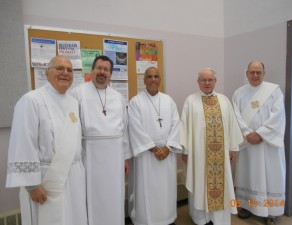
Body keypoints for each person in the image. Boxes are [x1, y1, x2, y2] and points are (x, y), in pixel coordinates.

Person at [6, 55, 88, 225]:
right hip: (47, 180)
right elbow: (23, 142)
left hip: (74, 175)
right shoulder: (31, 100)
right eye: (59, 68)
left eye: (70, 70)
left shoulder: (73, 102)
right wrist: (32, 185)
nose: (65, 73)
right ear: (47, 73)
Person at [70, 55, 131, 225]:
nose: (102, 72)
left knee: (114, 195)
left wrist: (125, 157)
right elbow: (71, 129)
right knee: (92, 197)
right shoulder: (78, 93)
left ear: (110, 74)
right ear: (92, 70)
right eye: (99, 68)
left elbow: (124, 129)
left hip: (114, 156)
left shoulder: (118, 97)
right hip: (90, 156)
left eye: (106, 69)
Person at [180, 68, 244, 225]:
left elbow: (231, 126)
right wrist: (186, 151)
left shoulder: (224, 100)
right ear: (198, 82)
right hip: (199, 155)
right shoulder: (190, 100)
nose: (207, 83)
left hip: (221, 156)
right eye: (203, 80)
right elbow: (185, 128)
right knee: (199, 182)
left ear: (215, 81)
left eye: (210, 80)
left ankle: (219, 219)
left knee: (221, 186)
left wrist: (232, 149)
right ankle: (201, 218)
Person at [232, 61, 286, 225]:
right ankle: (247, 207)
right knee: (248, 175)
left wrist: (260, 134)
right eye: (252, 72)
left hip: (268, 144)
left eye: (259, 72)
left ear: (264, 73)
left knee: (271, 176)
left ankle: (272, 213)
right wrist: (248, 134)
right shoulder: (239, 93)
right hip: (248, 144)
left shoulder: (274, 91)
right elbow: (236, 116)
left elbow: (278, 115)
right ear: (246, 73)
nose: (255, 75)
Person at [128, 67, 182, 225]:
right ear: (144, 80)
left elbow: (176, 124)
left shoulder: (168, 100)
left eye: (156, 76)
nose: (153, 79)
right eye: (149, 76)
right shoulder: (135, 102)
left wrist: (168, 148)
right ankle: (146, 220)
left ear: (160, 79)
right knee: (147, 190)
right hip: (146, 155)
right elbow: (134, 127)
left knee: (166, 190)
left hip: (167, 153)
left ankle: (167, 218)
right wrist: (153, 149)